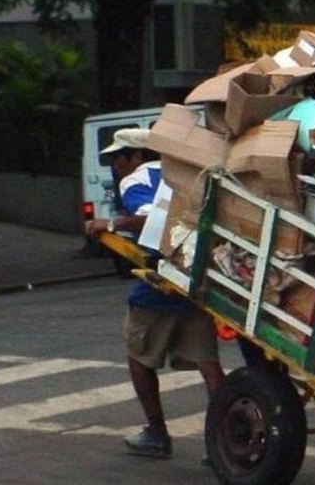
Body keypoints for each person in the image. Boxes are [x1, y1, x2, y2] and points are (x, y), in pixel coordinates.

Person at [85, 128, 224, 458]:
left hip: (162, 280)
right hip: (199, 278)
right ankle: (222, 439)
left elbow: (152, 218)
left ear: (136, 157)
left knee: (138, 355)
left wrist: (112, 224)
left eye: (119, 158)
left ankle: (156, 431)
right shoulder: (190, 175)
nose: (116, 166)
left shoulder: (137, 179)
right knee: (208, 362)